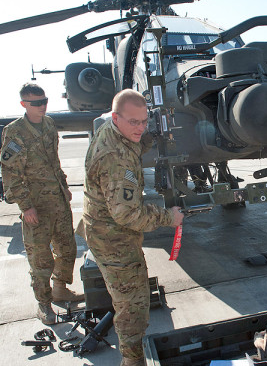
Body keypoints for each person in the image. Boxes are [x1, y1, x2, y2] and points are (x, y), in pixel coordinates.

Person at [83, 89, 184, 366]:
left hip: (104, 229)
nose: (140, 128)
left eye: (144, 121)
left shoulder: (112, 130)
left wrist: (148, 135)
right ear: (116, 118)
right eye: (133, 122)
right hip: (114, 239)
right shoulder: (116, 159)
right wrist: (168, 217)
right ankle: (132, 360)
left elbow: (135, 139)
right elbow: (127, 215)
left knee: (127, 301)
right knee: (133, 307)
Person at [0, 83, 83, 325]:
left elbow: (54, 161)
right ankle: (44, 305)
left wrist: (64, 186)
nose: (42, 106)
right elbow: (10, 173)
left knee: (68, 248)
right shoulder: (15, 132)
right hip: (36, 205)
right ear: (23, 104)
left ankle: (60, 289)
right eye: (36, 103)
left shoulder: (48, 124)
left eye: (44, 101)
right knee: (41, 259)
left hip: (57, 200)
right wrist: (26, 207)